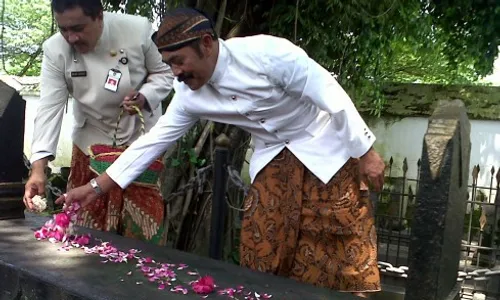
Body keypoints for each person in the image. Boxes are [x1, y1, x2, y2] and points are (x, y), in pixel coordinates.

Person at [58, 7, 385, 298]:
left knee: (340, 235)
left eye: (179, 60)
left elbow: (328, 92)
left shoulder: (268, 54)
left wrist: (366, 152)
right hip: (272, 156)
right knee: (263, 242)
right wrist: (95, 187)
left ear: (206, 44)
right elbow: (153, 141)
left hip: (323, 143)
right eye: (169, 63)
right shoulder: (187, 94)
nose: (176, 72)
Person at [23, 0, 175, 246]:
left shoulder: (137, 30)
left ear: (99, 17)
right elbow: (50, 106)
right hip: (90, 143)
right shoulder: (55, 50)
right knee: (84, 228)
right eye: (64, 30)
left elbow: (165, 72)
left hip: (139, 140)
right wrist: (38, 168)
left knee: (141, 234)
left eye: (78, 28)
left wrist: (145, 96)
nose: (71, 37)